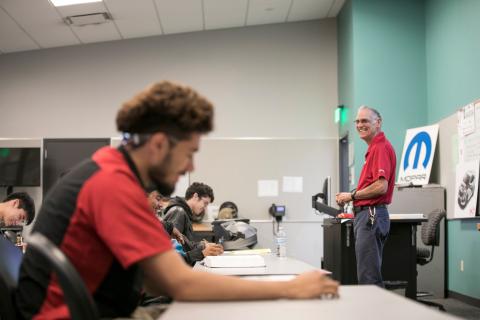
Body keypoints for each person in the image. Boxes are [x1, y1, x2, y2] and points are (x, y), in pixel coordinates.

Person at [16, 81, 339, 319]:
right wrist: (289, 289)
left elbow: (158, 280)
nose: (190, 166)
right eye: (189, 153)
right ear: (159, 144)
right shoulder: (113, 185)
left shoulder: (107, 169)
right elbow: (180, 284)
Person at [335, 106, 396, 287]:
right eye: (358, 121)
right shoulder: (374, 148)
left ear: (378, 123)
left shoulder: (380, 148)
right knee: (369, 274)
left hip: (371, 215)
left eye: (365, 121)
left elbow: (381, 186)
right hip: (368, 215)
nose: (360, 125)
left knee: (369, 278)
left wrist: (351, 195)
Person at [163, 182, 224, 264]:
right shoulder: (178, 211)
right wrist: (201, 248)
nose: (205, 208)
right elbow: (175, 248)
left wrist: (202, 245)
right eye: (205, 203)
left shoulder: (184, 213)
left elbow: (184, 244)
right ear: (195, 196)